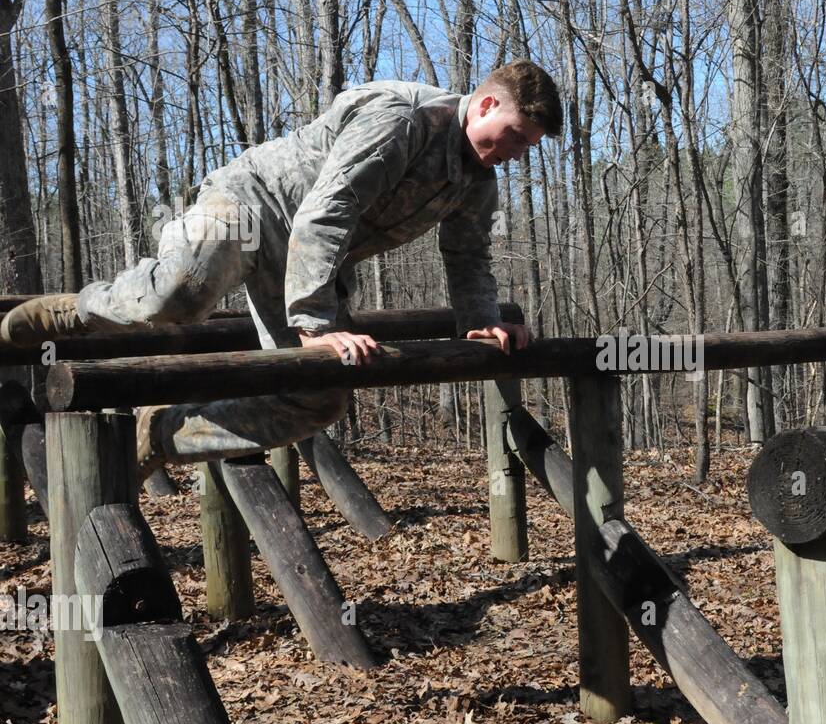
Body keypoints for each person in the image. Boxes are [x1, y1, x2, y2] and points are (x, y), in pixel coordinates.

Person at [1, 59, 562, 483]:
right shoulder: (404, 121)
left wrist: (482, 321)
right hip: (251, 206)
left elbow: (468, 256)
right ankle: (72, 312)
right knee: (178, 298)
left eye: (528, 146)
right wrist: (317, 325)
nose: (517, 152)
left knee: (315, 398)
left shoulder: (477, 180)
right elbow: (328, 209)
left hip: (307, 259)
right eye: (514, 135)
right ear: (485, 104)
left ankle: (161, 433)